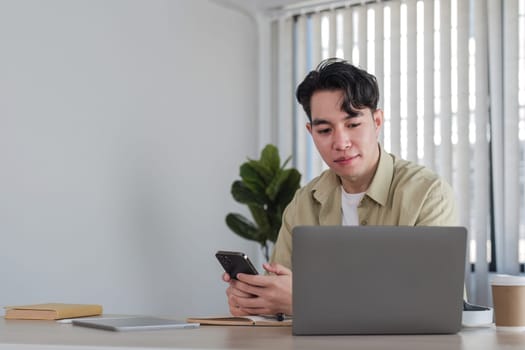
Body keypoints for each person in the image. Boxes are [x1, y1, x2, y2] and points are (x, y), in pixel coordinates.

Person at [223, 58, 457, 317]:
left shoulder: (427, 194)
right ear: (311, 133)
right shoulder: (303, 203)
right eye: (325, 130)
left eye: (353, 125)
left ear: (377, 121)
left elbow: (433, 304)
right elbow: (280, 301)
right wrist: (255, 302)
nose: (341, 142)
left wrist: (307, 300)